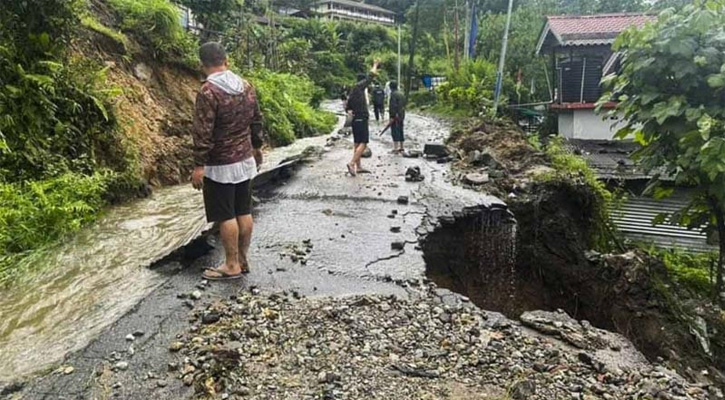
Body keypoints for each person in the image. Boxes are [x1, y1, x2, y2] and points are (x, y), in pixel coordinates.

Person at [191, 42, 264, 281]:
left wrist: (199, 165)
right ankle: (242, 259)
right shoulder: (246, 86)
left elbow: (203, 132)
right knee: (243, 210)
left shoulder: (208, 92)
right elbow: (256, 120)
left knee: (225, 215)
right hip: (244, 160)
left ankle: (231, 264)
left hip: (219, 165)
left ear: (203, 65)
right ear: (227, 61)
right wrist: (256, 147)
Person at [345, 60, 380, 176]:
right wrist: (375, 65)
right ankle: (352, 163)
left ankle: (358, 167)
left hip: (355, 119)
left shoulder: (352, 91)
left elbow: (347, 107)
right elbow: (371, 77)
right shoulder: (359, 87)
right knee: (363, 143)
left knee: (357, 143)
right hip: (361, 118)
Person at [388, 80, 407, 153]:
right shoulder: (401, 94)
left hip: (395, 116)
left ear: (390, 87)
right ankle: (402, 147)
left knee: (395, 131)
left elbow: (393, 106)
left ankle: (395, 148)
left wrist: (392, 116)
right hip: (401, 114)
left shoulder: (393, 94)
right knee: (401, 129)